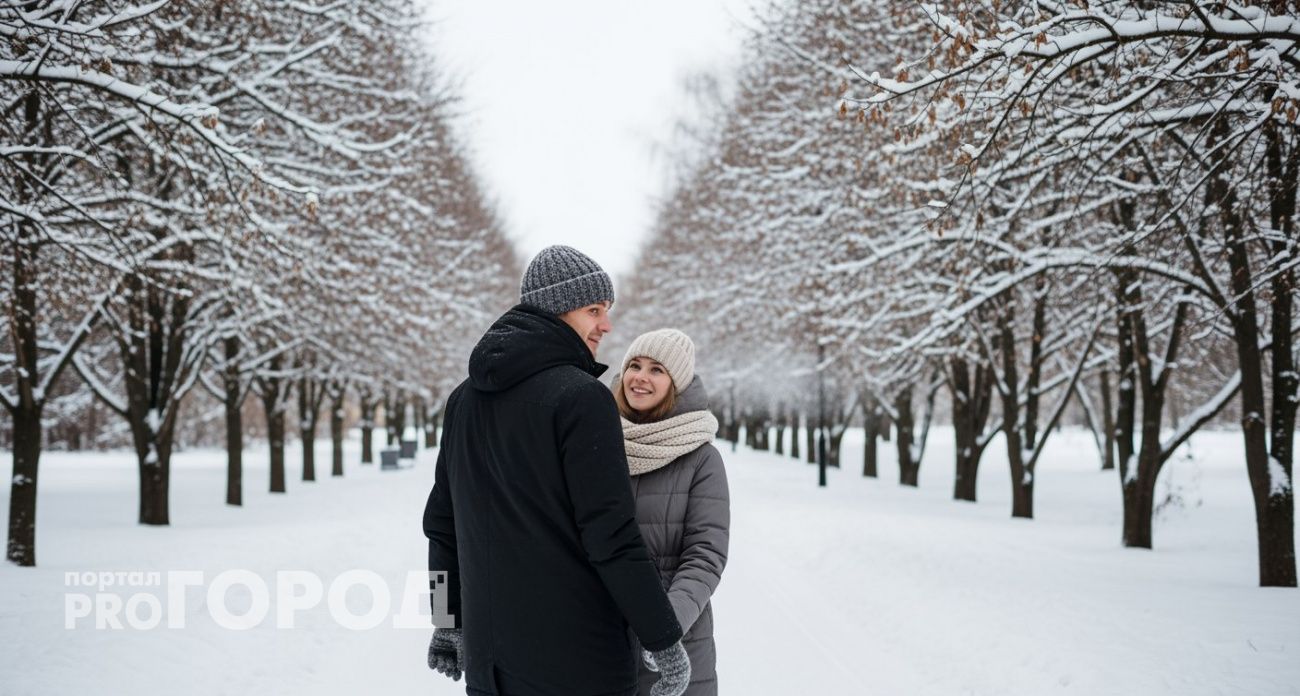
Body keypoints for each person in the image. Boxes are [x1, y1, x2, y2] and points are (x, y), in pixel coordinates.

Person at [423, 245, 691, 696]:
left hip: (491, 667)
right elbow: (611, 534)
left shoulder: (463, 400)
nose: (606, 325)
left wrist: (447, 622)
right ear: (557, 307)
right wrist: (663, 638)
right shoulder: (582, 398)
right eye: (594, 310)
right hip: (577, 663)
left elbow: (441, 526)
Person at [613, 329, 730, 696]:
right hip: (600, 639)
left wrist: (662, 631)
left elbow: (705, 556)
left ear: (676, 384)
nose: (640, 377)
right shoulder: (596, 442)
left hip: (674, 641)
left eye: (656, 370)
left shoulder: (701, 458)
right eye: (634, 365)